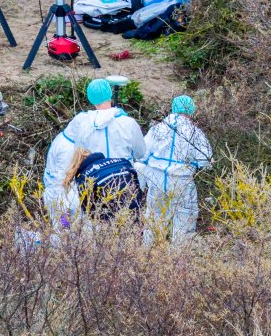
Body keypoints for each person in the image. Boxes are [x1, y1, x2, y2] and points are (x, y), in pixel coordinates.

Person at [57, 79, 147, 220]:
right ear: (110, 95)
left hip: (93, 185)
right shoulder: (128, 123)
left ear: (90, 98)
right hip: (123, 182)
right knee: (126, 227)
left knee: (97, 228)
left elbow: (74, 151)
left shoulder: (81, 121)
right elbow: (141, 154)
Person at [138, 95, 213, 244]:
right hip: (182, 181)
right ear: (191, 110)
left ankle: (147, 254)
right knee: (183, 220)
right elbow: (205, 160)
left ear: (173, 108)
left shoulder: (158, 128)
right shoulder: (194, 132)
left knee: (154, 217)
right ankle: (177, 258)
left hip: (157, 179)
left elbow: (142, 153)